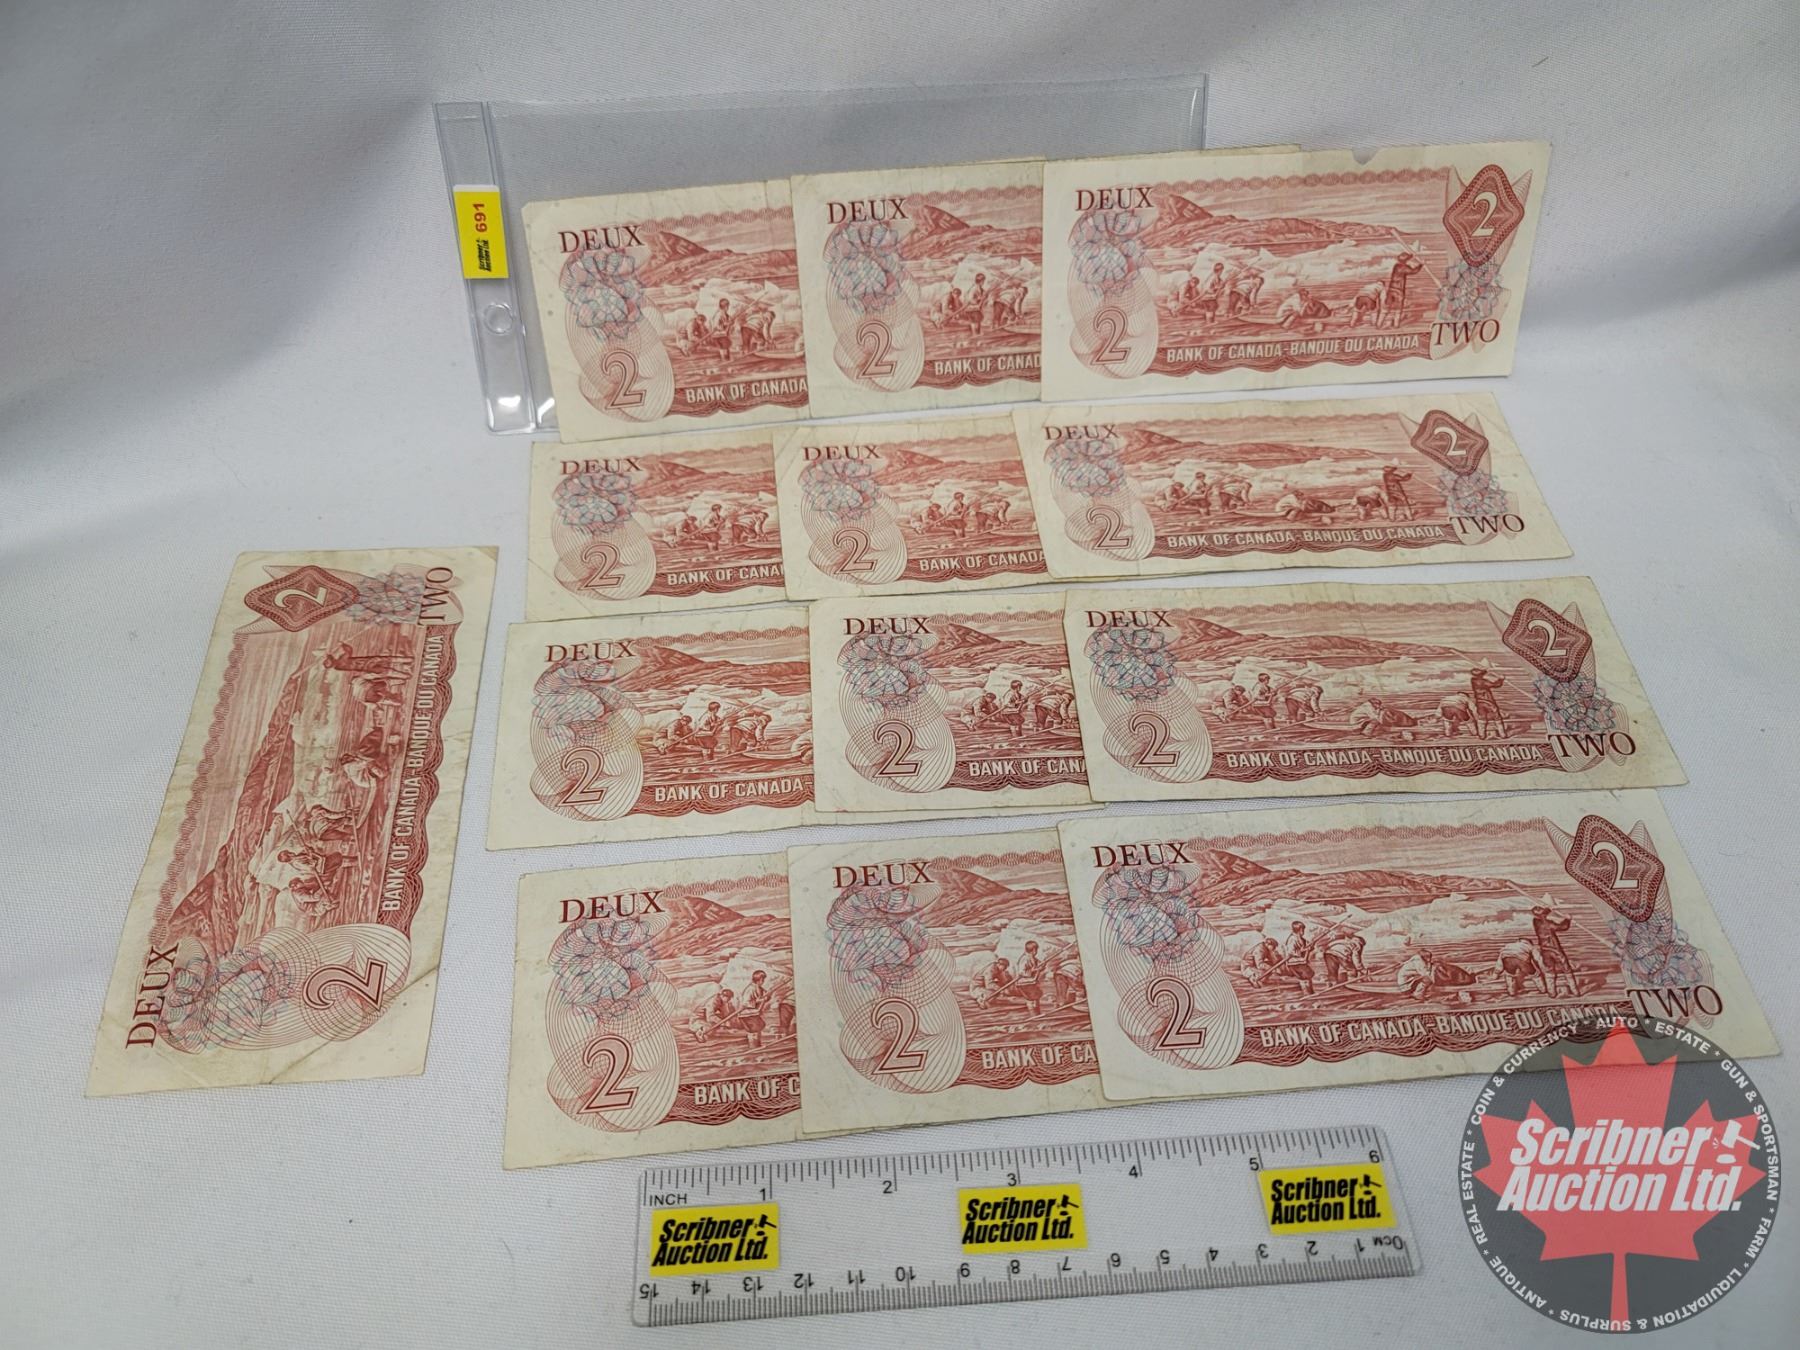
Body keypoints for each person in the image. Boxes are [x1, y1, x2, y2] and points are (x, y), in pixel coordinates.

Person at [1531, 902, 1578, 995]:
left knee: (1549, 972)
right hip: (1555, 950)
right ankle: (1575, 991)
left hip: (1544, 951)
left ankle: (1552, 993)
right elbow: (1563, 927)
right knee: (1567, 969)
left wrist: (1549, 909)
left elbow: (1543, 914)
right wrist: (1567, 919)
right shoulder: (1547, 924)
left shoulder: (1536, 922)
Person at [1468, 660, 1509, 739]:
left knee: (1482, 718)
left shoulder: (1473, 680)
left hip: (1479, 702)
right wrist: (1501, 679)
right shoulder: (1483, 682)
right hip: (1488, 702)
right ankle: (1502, 735)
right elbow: (1496, 685)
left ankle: (1482, 735)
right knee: (1497, 717)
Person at [1382, 252, 1424, 326]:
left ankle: (1380, 324)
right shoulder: (1404, 267)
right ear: (1406, 260)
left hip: (1391, 289)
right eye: (1407, 259)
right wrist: (1421, 265)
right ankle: (1396, 325)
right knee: (1398, 309)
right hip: (1398, 291)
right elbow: (1413, 271)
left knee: (1387, 307)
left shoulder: (1396, 266)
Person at [1350, 695, 1418, 740]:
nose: (1378, 706)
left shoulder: (1369, 705)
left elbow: (1375, 712)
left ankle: (1367, 731)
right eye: (1378, 705)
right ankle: (1367, 733)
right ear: (1374, 704)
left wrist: (1380, 710)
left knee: (1376, 722)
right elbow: (1374, 716)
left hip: (1362, 719)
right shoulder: (1367, 707)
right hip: (1356, 721)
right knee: (1375, 721)